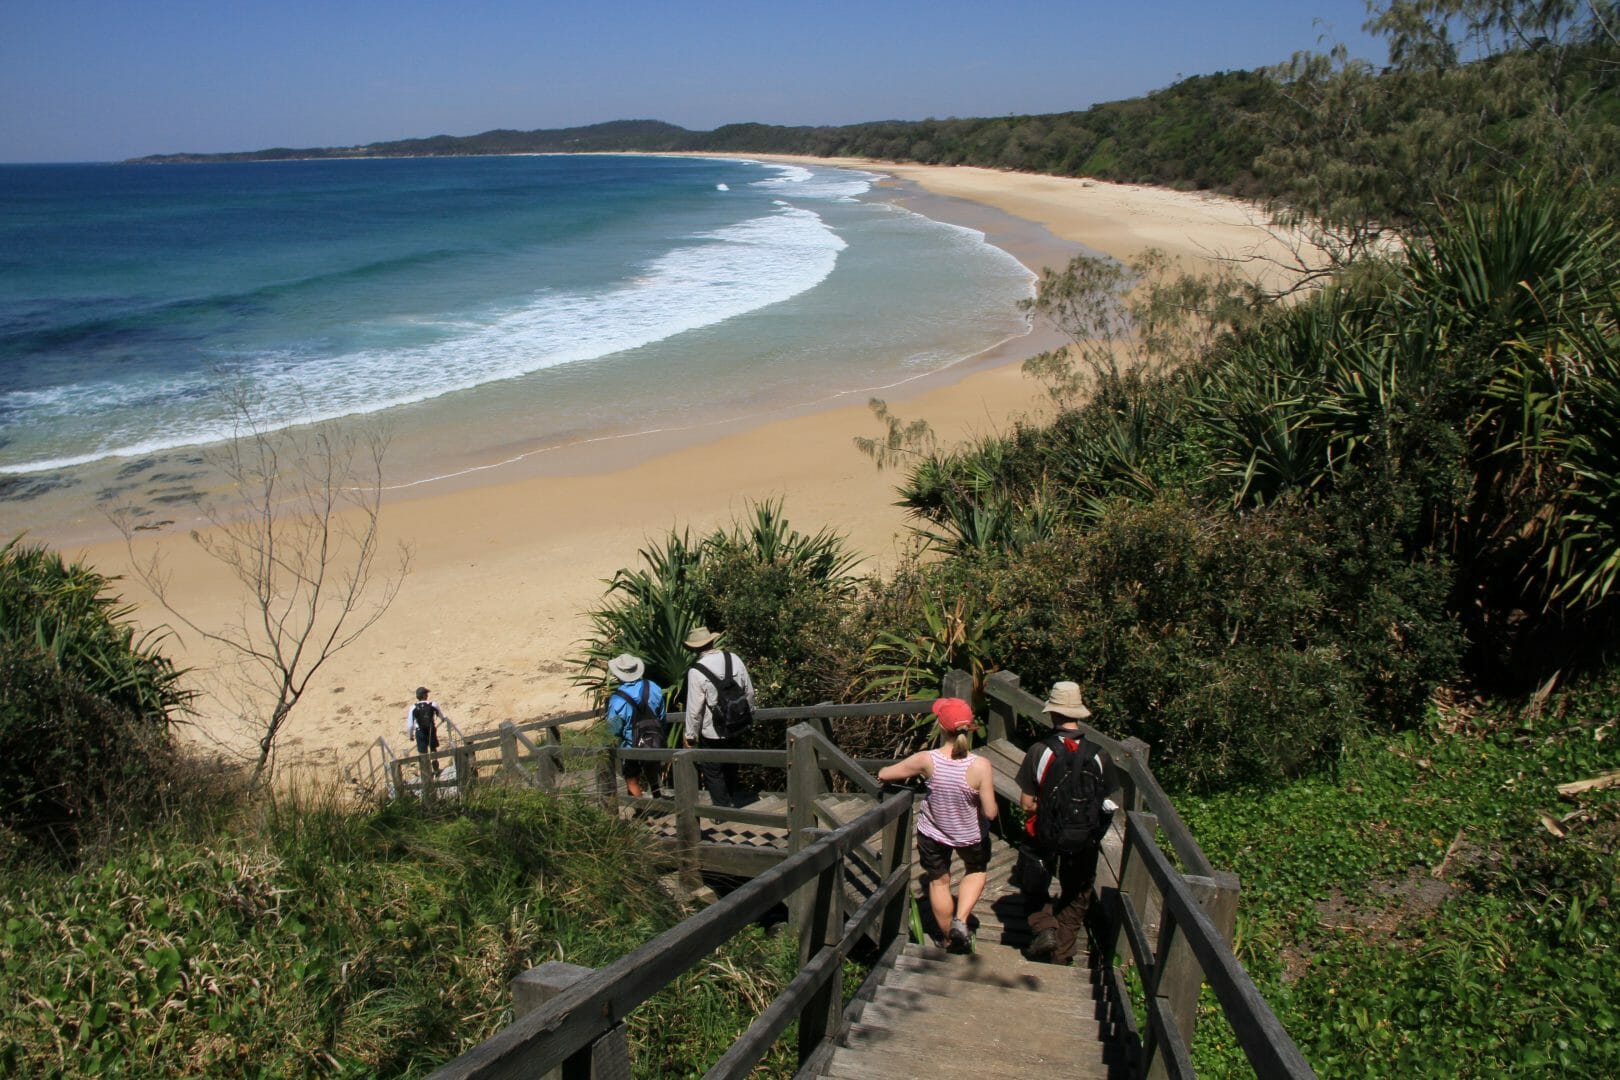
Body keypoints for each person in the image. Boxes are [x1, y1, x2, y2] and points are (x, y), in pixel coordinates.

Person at [877, 697, 999, 951]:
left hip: (933, 833)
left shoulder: (927, 760)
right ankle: (961, 920)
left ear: (942, 728)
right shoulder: (981, 766)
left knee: (939, 881)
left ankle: (946, 939)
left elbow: (885, 774)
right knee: (975, 871)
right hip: (970, 835)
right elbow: (989, 812)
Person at [1014, 681, 1114, 966]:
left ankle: (1045, 928)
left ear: (1052, 713)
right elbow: (1104, 799)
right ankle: (1062, 953)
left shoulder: (1039, 751)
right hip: (1085, 837)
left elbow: (1026, 802)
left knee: (1033, 883)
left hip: (1045, 834)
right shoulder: (1100, 754)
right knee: (1077, 893)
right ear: (1079, 714)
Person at [682, 626, 755, 809]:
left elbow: (694, 709)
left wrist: (690, 735)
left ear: (695, 649)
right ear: (712, 641)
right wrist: (748, 714)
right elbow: (749, 691)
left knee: (713, 771)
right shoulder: (734, 659)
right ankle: (732, 801)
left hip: (713, 730)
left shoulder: (696, 671)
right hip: (737, 724)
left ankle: (722, 810)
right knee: (731, 765)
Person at [605, 652, 666, 798]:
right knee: (652, 774)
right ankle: (659, 803)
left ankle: (641, 813)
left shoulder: (617, 699)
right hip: (654, 739)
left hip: (631, 745)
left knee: (631, 779)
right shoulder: (653, 687)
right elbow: (661, 716)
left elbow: (614, 729)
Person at [405, 686, 450, 775]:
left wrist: (410, 736)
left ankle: (426, 774)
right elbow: (441, 716)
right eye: (426, 693)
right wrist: (443, 719)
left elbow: (410, 724)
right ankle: (436, 770)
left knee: (423, 753)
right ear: (424, 695)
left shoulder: (413, 707)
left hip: (419, 731)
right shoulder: (432, 704)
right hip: (431, 730)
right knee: (433, 750)